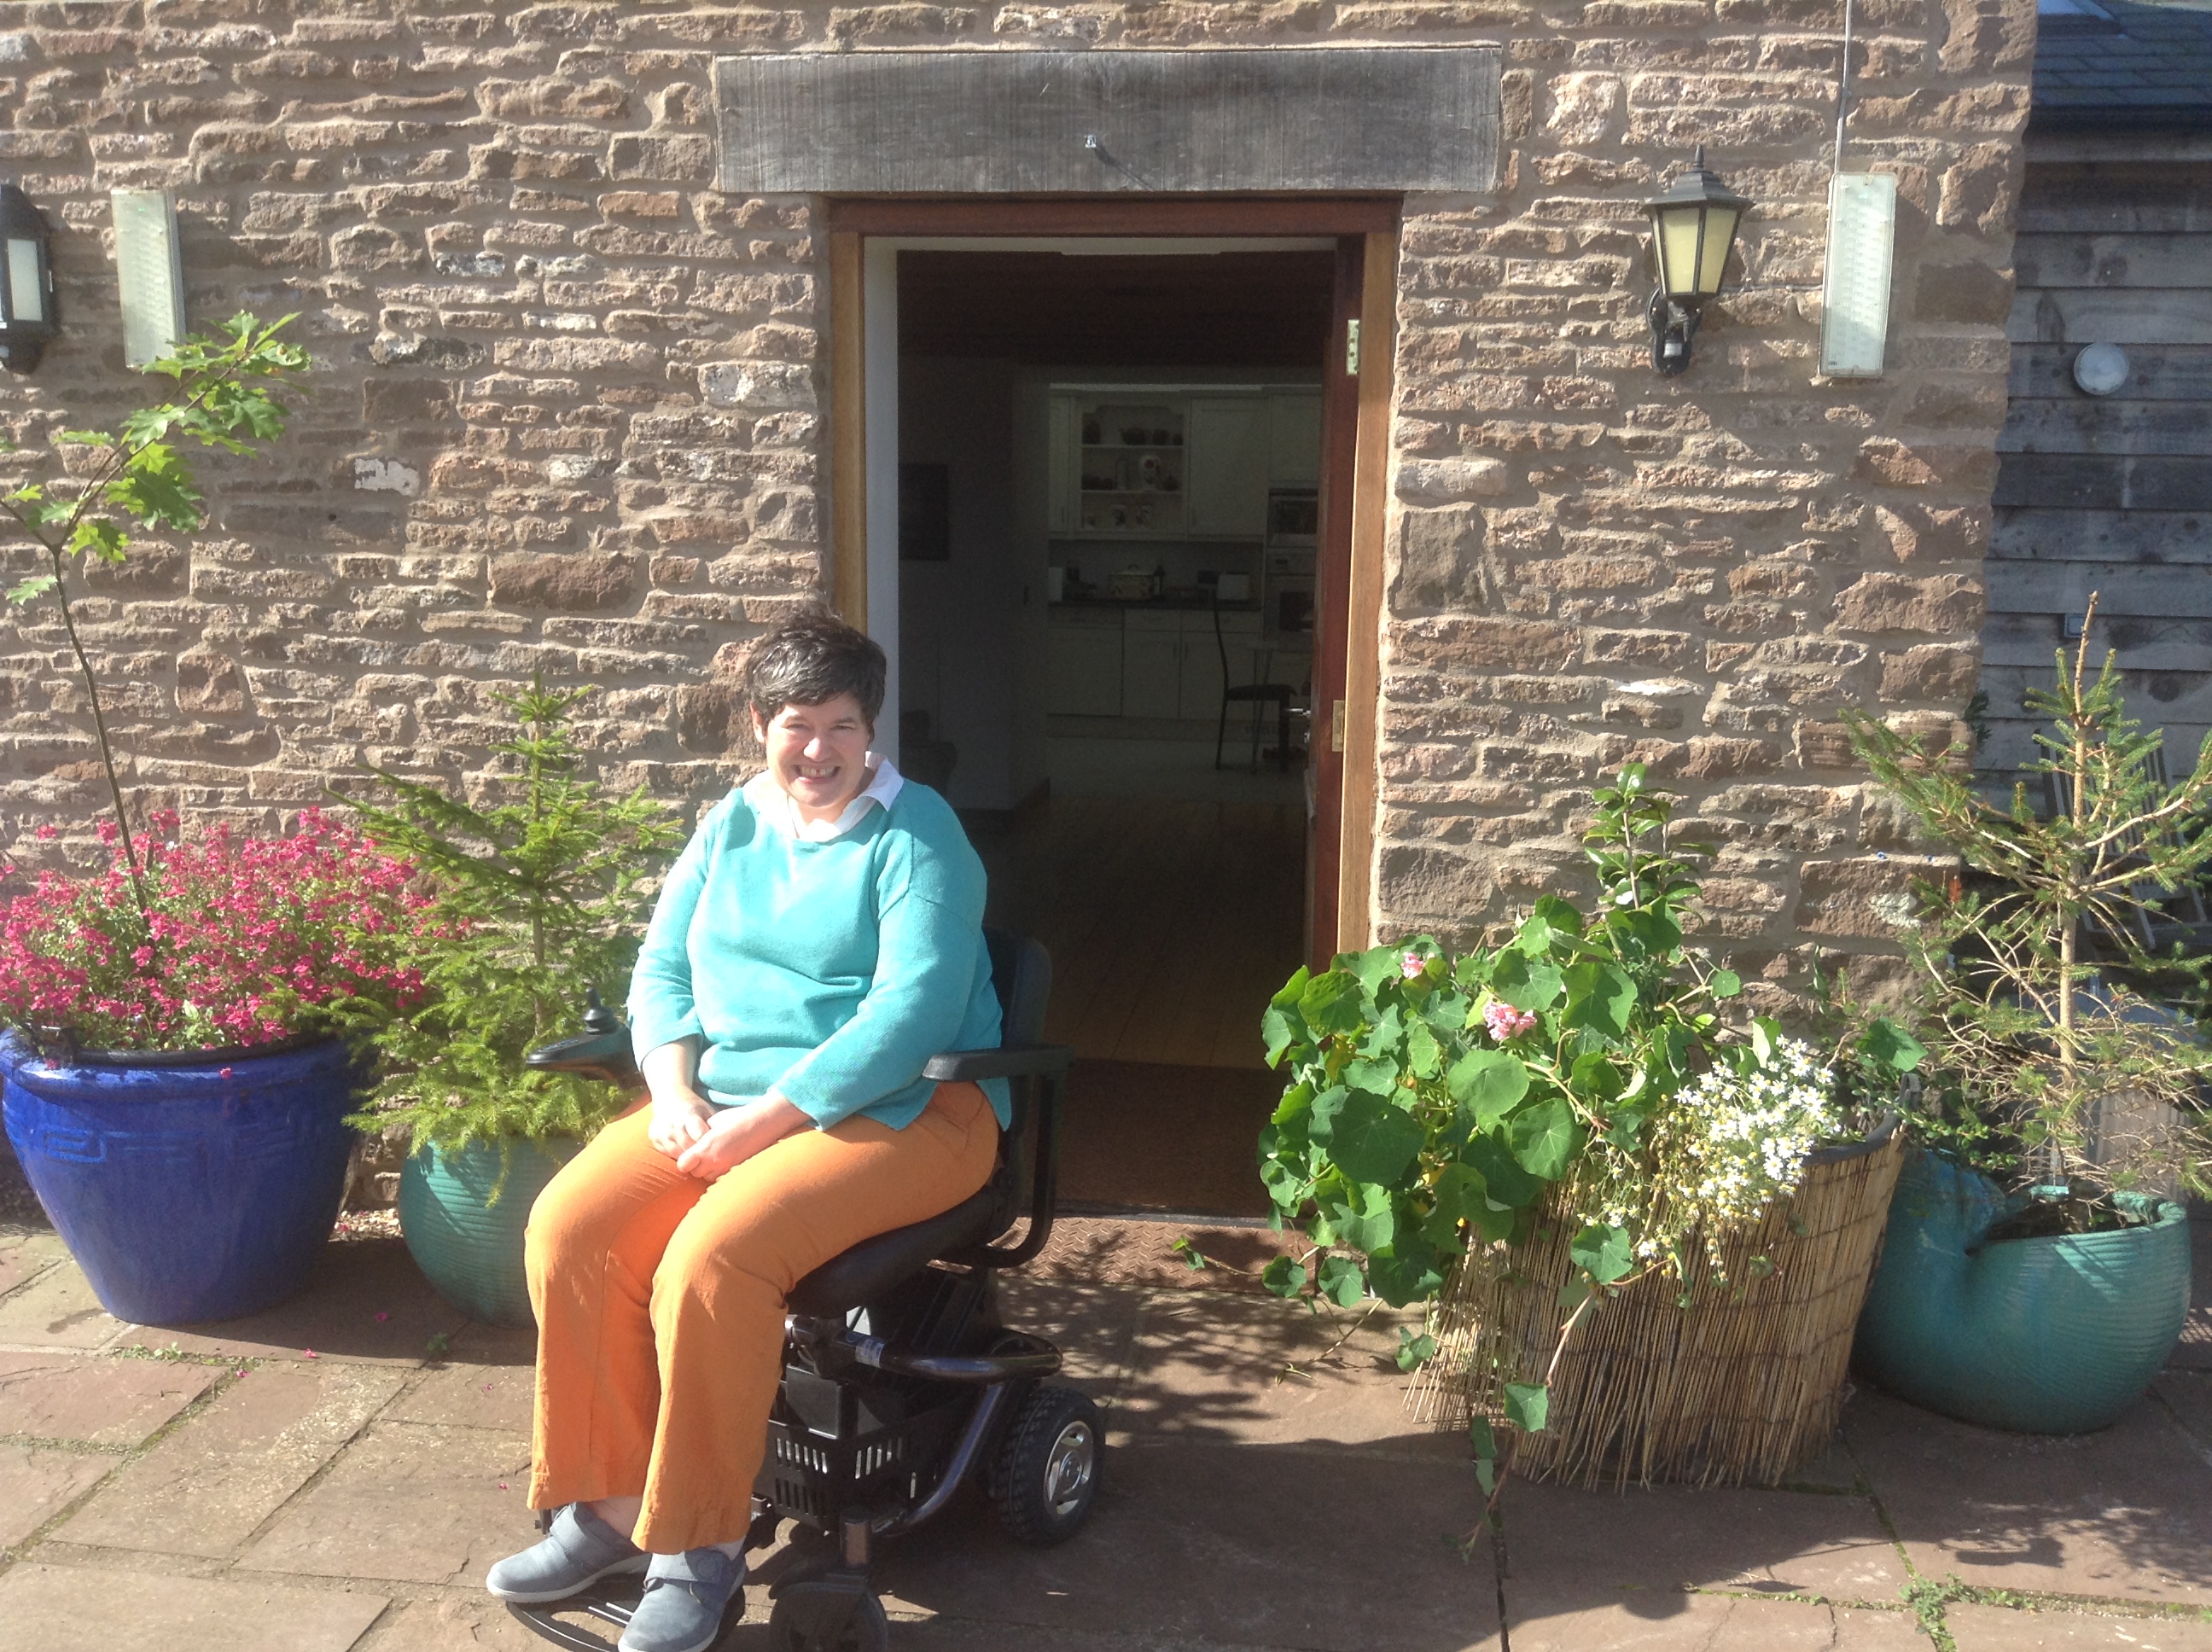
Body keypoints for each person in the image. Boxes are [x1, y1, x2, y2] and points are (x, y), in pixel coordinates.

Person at [486, 614, 1009, 1652]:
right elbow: (660, 969)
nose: (819, 749)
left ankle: (699, 1550)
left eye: (843, 724)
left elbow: (909, 1016)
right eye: (797, 723)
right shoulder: (731, 824)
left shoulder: (920, 836)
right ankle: (610, 1512)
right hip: (726, 1103)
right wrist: (674, 1090)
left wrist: (763, 1123)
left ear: (872, 730)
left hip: (915, 1108)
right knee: (570, 1229)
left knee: (712, 1261)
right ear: (759, 725)